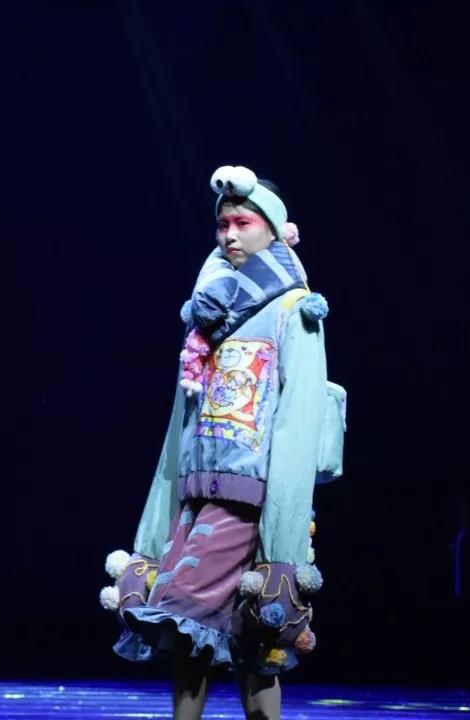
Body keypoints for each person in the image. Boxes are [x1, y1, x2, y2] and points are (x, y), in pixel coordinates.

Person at [101, 165, 346, 719]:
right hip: (198, 498)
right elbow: (179, 425)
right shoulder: (206, 316)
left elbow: (298, 422)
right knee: (235, 645)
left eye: (243, 223)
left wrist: (281, 544)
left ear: (274, 229)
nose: (230, 235)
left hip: (252, 502)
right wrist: (158, 521)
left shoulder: (294, 310)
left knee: (204, 620)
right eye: (223, 225)